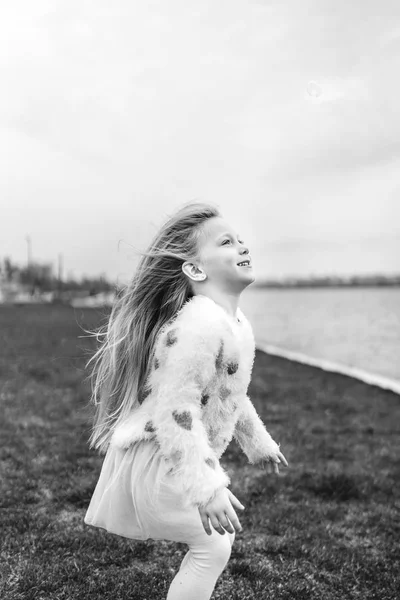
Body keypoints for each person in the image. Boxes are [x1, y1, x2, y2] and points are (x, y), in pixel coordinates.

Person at [83, 201, 288, 600]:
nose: (243, 246)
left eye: (241, 239)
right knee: (213, 544)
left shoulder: (236, 325)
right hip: (158, 458)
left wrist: (257, 443)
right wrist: (208, 487)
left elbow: (232, 396)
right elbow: (175, 411)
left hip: (173, 455)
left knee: (215, 545)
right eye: (227, 242)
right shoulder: (200, 326)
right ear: (195, 270)